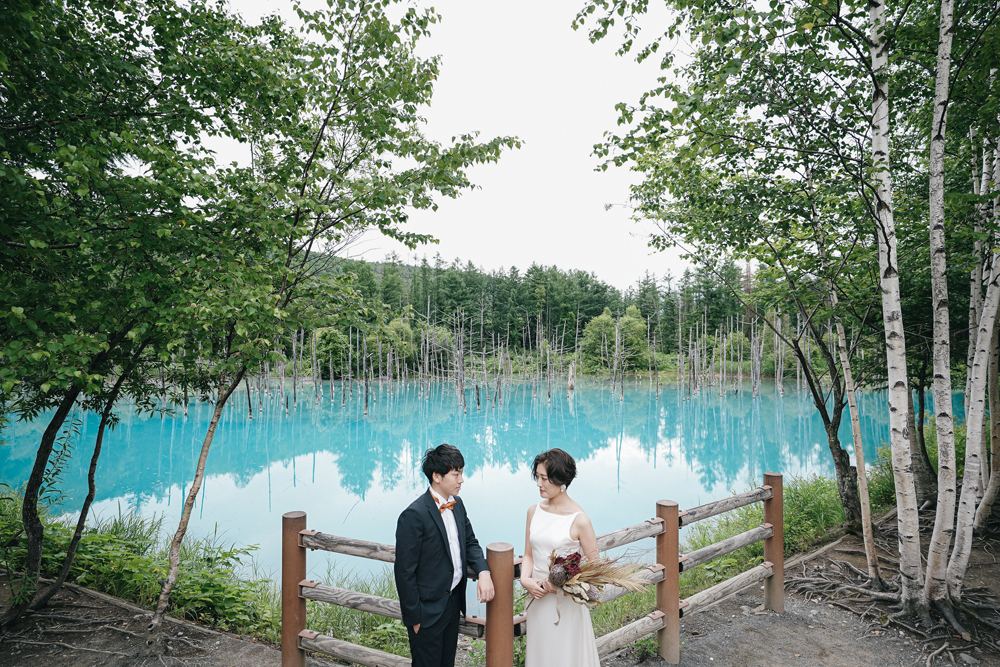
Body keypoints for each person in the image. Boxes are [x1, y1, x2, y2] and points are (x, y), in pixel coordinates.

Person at [394, 444, 495, 667]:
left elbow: (470, 543)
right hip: (426, 612)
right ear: (436, 476)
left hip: (452, 606)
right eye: (456, 473)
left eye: (462, 472)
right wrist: (415, 619)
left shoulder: (457, 504)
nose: (461, 479)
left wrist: (484, 571)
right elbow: (404, 571)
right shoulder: (414, 514)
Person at [519, 448, 601, 667]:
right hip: (537, 600)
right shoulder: (533, 511)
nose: (539, 483)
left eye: (544, 478)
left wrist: (562, 587)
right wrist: (525, 580)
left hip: (565, 605)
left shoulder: (580, 520)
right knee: (542, 656)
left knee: (565, 657)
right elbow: (528, 554)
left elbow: (595, 570)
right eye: (537, 477)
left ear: (561, 479)